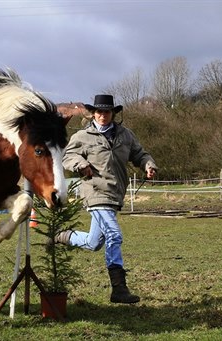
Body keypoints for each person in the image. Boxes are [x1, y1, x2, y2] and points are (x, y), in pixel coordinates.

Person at [59, 94, 157, 304]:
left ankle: (63, 236)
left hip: (115, 193)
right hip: (94, 191)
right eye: (99, 112)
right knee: (114, 235)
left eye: (107, 112)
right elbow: (67, 157)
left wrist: (148, 165)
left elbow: (140, 154)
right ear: (93, 113)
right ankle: (119, 289)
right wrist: (81, 165)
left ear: (113, 113)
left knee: (94, 242)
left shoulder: (125, 135)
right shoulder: (83, 136)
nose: (103, 115)